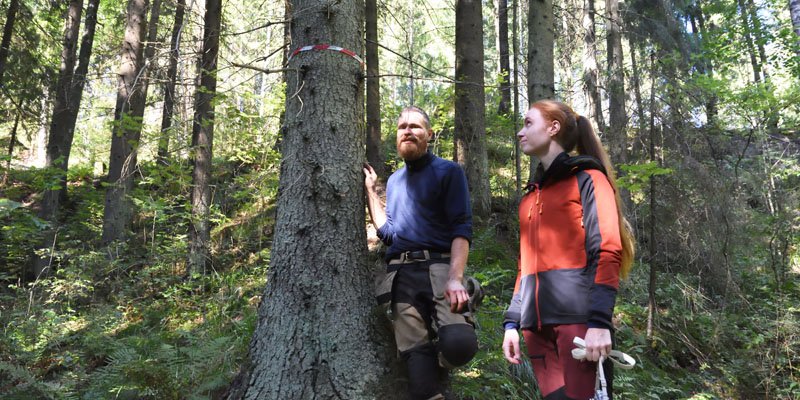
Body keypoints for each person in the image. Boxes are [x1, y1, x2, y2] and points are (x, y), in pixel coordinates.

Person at [502, 100, 635, 400]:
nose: (520, 133)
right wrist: (512, 322)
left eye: (527, 124)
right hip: (535, 327)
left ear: (553, 128)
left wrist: (600, 322)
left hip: (578, 322)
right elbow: (524, 266)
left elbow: (608, 249)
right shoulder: (528, 199)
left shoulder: (589, 178)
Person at [364, 106, 478, 400]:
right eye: (402, 127)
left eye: (415, 126)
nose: (407, 131)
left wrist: (456, 278)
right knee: (419, 378)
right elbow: (387, 232)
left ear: (429, 134)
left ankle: (441, 351)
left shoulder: (448, 171)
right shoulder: (396, 182)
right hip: (400, 277)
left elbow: (461, 228)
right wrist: (371, 190)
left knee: (460, 346)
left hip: (440, 270)